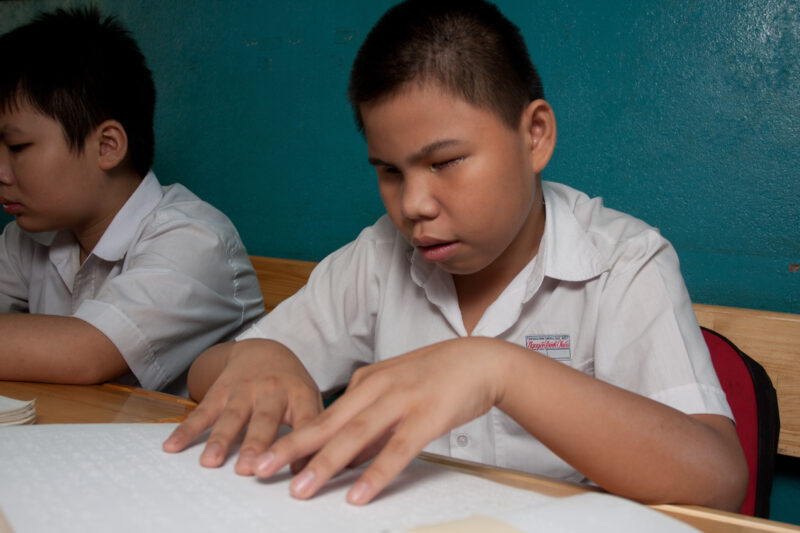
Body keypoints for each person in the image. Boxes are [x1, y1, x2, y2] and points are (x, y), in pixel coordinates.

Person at [163, 0, 748, 510]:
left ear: (535, 136)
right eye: (390, 171)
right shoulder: (377, 258)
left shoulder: (623, 262)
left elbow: (717, 480)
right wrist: (262, 356)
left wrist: (496, 369)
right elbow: (205, 374)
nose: (413, 204)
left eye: (444, 163)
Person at [0, 8, 265, 393]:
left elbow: (83, 352)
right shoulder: (26, 239)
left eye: (17, 146)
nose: (2, 171)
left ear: (107, 146)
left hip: (185, 451)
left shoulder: (194, 239)